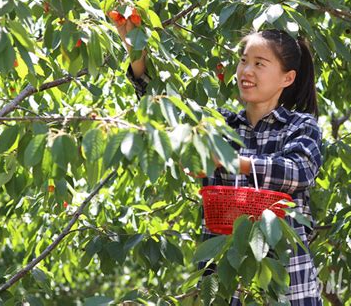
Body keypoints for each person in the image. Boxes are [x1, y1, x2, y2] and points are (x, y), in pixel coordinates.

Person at [114, 17, 324, 305]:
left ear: (287, 78)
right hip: (223, 281)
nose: (246, 71)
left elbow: (299, 170)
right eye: (242, 60)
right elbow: (165, 106)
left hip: (287, 282)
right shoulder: (219, 124)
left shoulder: (300, 126)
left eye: (260, 63)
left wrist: (231, 161)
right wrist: (135, 50)